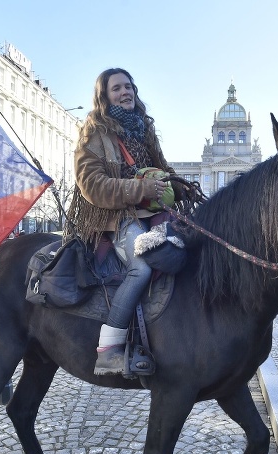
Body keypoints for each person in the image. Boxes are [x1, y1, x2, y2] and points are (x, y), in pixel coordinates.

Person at [72, 68, 175, 376]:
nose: (125, 92)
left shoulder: (144, 129)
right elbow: (91, 185)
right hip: (114, 218)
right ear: (104, 96)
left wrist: (177, 185)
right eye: (116, 88)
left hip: (153, 213)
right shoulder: (93, 131)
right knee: (142, 265)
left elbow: (162, 168)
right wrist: (139, 188)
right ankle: (110, 348)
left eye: (128, 86)